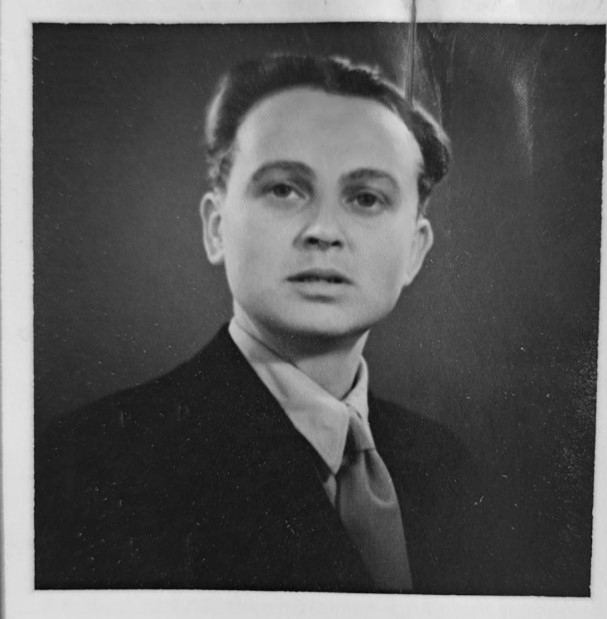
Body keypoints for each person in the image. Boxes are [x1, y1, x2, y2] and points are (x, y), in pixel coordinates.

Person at [36, 54, 503, 593]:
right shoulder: (98, 463)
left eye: (366, 197)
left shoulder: (445, 466)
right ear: (216, 228)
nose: (324, 231)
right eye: (284, 189)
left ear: (415, 252)